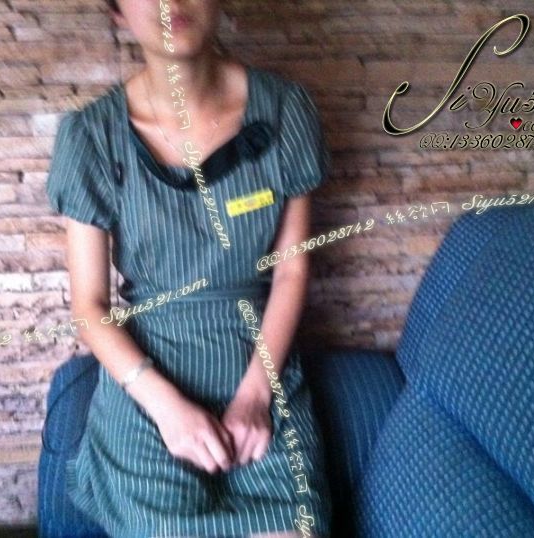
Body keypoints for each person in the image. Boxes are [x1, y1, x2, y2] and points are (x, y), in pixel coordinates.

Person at [45, 0, 332, 536]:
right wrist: (166, 407)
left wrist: (256, 395)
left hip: (259, 361)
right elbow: (89, 307)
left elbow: (291, 273)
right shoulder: (91, 137)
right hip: (149, 379)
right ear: (117, 12)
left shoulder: (286, 111)